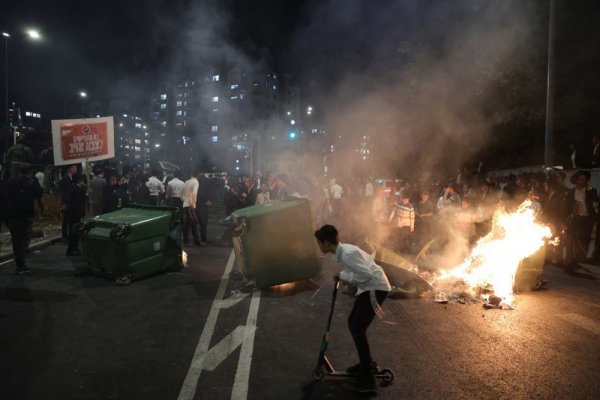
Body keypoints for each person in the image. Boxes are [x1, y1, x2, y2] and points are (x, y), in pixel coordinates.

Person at [314, 224, 391, 394]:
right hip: (370, 288)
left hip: (375, 288)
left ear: (326, 243)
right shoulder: (343, 253)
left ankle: (368, 378)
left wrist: (343, 276)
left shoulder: (347, 254)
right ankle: (367, 363)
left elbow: (366, 275)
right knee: (353, 323)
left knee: (358, 328)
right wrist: (343, 276)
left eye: (319, 243)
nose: (319, 246)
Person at [5, 165, 44, 274]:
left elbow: (4, 197)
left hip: (12, 215)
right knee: (25, 239)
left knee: (16, 239)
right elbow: (39, 199)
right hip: (26, 215)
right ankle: (20, 264)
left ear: (20, 172)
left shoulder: (10, 183)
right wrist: (42, 209)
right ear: (30, 172)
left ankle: (19, 261)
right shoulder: (33, 183)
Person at [65, 174, 87, 256]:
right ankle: (71, 249)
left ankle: (75, 248)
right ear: (79, 180)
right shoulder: (73, 188)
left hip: (80, 213)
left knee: (77, 232)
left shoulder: (81, 188)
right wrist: (86, 194)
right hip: (74, 213)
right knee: (73, 232)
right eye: (82, 179)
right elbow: (76, 197)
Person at [180, 171, 201, 246]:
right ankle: (185, 241)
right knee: (188, 223)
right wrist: (192, 203)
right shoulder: (196, 182)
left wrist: (184, 200)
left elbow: (180, 192)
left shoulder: (186, 181)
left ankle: (197, 241)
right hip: (191, 205)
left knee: (192, 223)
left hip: (186, 204)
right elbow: (194, 193)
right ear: (198, 176)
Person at [59, 165, 78, 240]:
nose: (75, 169)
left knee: (68, 218)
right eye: (74, 168)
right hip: (67, 202)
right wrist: (64, 203)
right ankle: (65, 235)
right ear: (69, 169)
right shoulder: (66, 178)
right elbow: (64, 192)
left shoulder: (71, 178)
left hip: (70, 202)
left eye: (76, 168)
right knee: (66, 219)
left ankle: (68, 235)